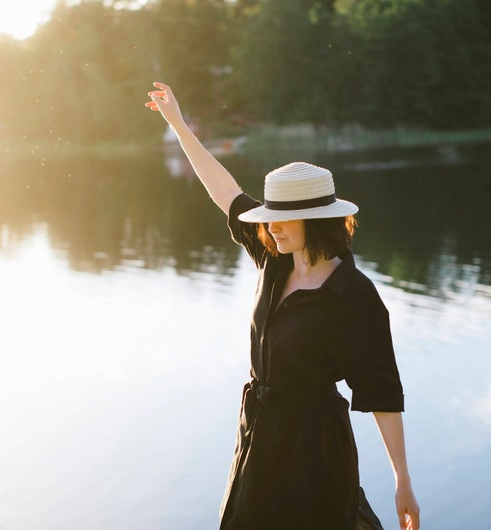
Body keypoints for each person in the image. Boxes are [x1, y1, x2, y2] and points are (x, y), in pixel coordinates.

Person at [145, 82, 420, 530]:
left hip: (313, 447)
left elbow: (382, 394)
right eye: (269, 219)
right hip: (260, 434)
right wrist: (177, 122)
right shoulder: (275, 259)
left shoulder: (354, 297)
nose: (271, 229)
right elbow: (225, 191)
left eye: (283, 220)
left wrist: (402, 480)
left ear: (317, 220)